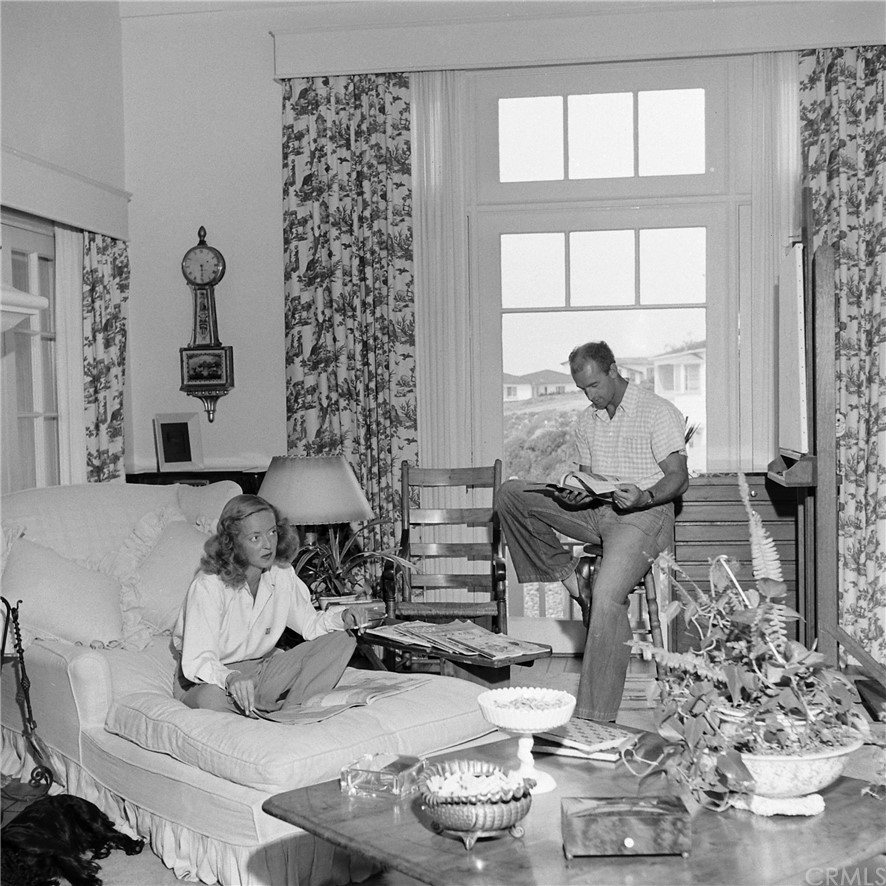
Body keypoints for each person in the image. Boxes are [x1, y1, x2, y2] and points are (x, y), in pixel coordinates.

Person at [497, 341, 689, 723]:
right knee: (511, 493)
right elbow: (590, 479)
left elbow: (679, 480)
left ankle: (593, 719)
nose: (590, 395)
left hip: (644, 515)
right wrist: (576, 490)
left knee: (606, 597)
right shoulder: (588, 420)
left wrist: (644, 496)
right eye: (583, 389)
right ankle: (571, 579)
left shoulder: (657, 411)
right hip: (596, 510)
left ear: (614, 370)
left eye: (595, 386)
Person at [172, 493, 371, 720]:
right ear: (233, 543)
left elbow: (309, 625)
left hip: (260, 671)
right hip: (209, 678)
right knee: (210, 700)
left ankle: (290, 712)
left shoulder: (282, 573)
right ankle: (273, 707)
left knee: (343, 638)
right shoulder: (208, 584)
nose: (268, 545)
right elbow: (197, 660)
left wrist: (342, 617)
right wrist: (230, 678)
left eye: (272, 532)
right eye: (255, 538)